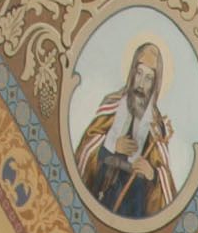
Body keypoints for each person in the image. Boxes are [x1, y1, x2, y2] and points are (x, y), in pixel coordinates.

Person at [76, 39, 179, 222]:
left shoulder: (156, 125)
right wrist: (111, 145)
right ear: (132, 73)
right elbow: (85, 149)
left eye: (149, 78)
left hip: (134, 206)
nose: (141, 84)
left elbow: (165, 181)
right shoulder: (112, 104)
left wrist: (152, 174)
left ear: (155, 84)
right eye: (139, 73)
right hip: (102, 194)